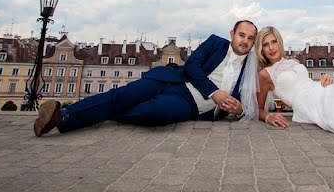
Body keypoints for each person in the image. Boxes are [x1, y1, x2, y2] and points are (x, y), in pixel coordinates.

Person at [34, 20, 259, 136]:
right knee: (122, 95)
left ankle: (94, 113)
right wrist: (215, 92)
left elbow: (247, 105)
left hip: (190, 104)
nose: (244, 41)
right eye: (241, 35)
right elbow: (191, 65)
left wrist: (238, 110)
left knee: (154, 114)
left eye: (250, 38)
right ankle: (62, 117)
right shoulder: (216, 43)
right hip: (172, 81)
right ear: (232, 34)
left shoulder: (251, 66)